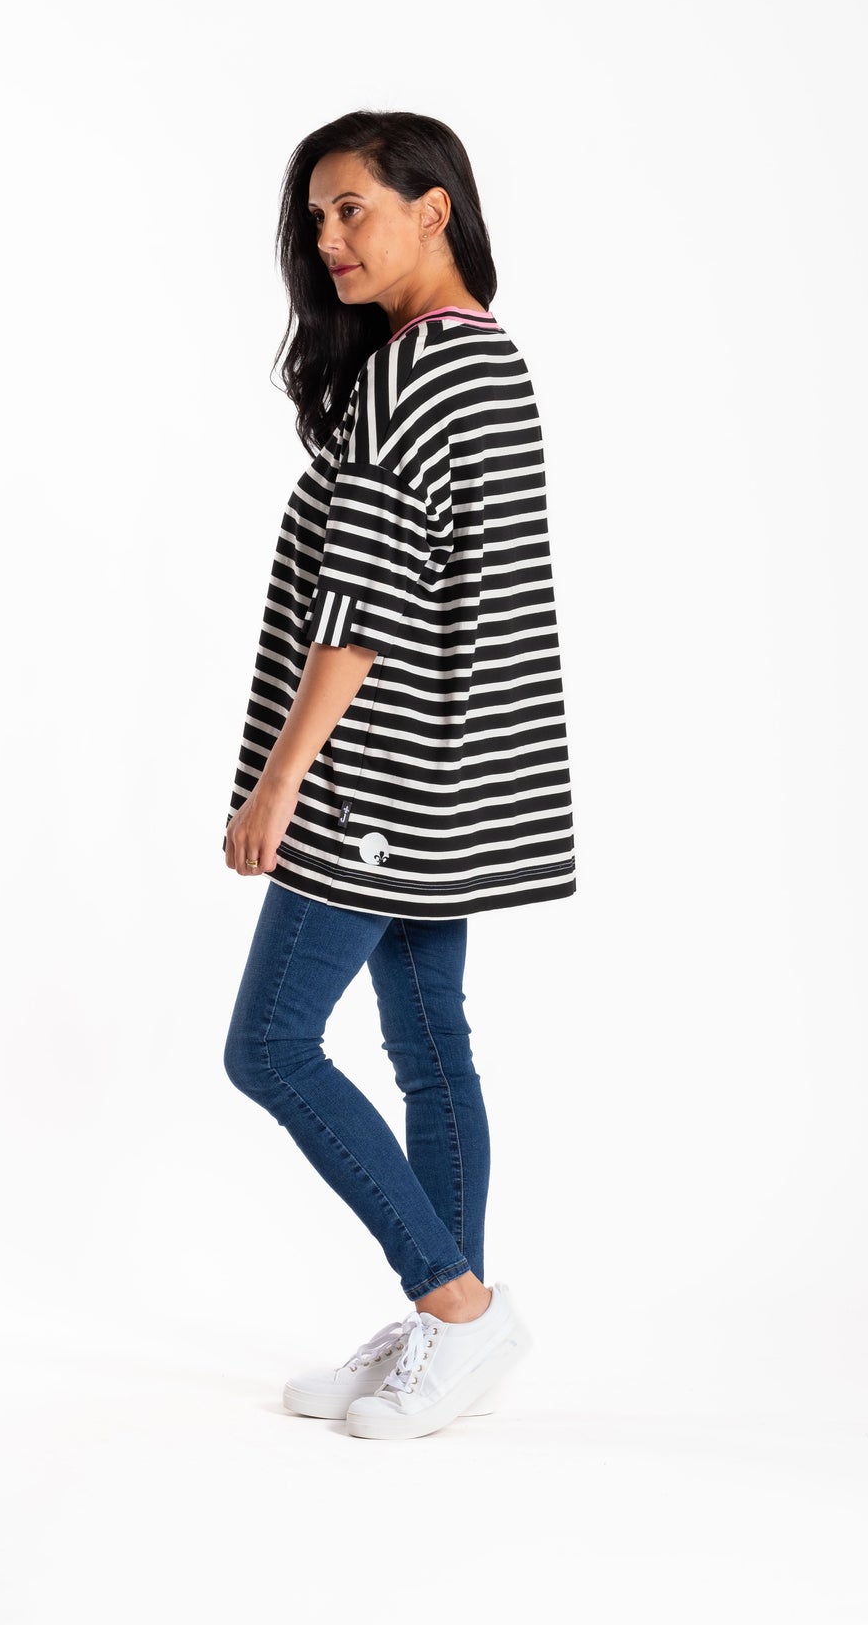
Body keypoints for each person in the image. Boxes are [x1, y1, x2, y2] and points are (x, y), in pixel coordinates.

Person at [221, 109, 576, 1441]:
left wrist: (279, 784)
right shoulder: (488, 359)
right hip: (450, 773)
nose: (327, 239)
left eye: (352, 207)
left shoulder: (415, 374)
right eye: (315, 217)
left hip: (370, 777)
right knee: (431, 1050)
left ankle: (459, 1304)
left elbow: (359, 605)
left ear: (436, 208)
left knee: (269, 1046)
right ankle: (449, 1330)